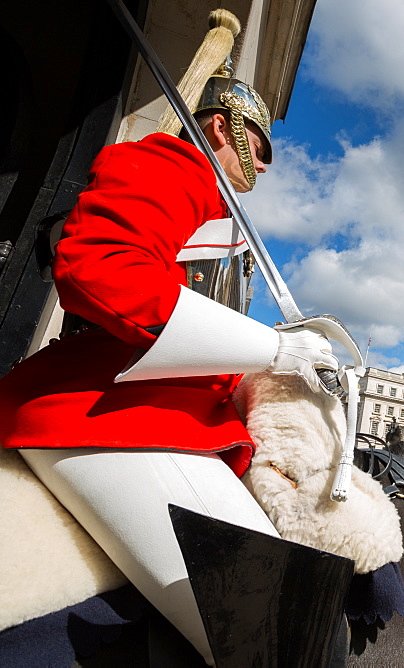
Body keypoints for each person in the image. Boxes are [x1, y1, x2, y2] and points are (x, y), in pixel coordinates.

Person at [0, 18, 341, 665]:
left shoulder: (216, 214)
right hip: (108, 416)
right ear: (223, 127)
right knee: (287, 632)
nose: (264, 168)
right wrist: (275, 350)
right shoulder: (174, 163)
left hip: (167, 420)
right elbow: (99, 268)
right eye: (263, 149)